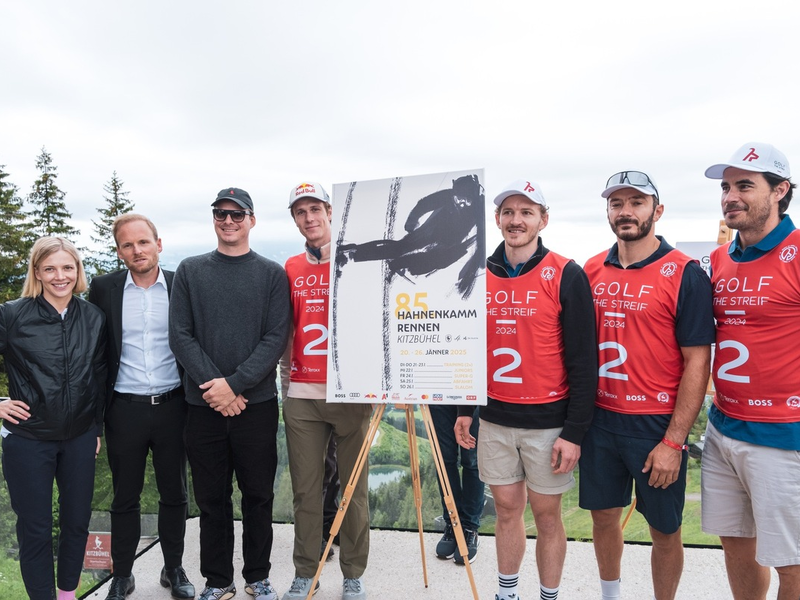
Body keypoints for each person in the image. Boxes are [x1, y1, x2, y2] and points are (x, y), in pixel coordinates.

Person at [456, 180, 597, 600]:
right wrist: (467, 408)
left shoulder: (566, 273)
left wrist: (574, 433)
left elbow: (584, 362)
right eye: (508, 212)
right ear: (497, 219)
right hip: (496, 419)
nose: (515, 220)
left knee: (548, 517)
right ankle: (507, 593)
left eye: (526, 212)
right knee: (505, 512)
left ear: (543, 219)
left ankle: (549, 595)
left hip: (548, 423)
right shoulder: (477, 272)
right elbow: (467, 348)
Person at [579, 171, 714, 600]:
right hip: (600, 421)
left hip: (654, 425)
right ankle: (610, 594)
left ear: (657, 211)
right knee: (603, 518)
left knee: (665, 530)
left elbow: (698, 361)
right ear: (607, 212)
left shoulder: (685, 273)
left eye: (636, 202)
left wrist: (675, 441)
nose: (626, 211)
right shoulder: (591, 268)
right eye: (616, 203)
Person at [169, 187, 291, 600]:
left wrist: (234, 385)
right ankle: (218, 581)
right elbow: (180, 336)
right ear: (214, 219)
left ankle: (257, 576)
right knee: (211, 500)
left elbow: (276, 337)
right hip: (201, 406)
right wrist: (216, 389)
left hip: (254, 406)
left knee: (258, 496)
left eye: (237, 215)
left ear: (251, 220)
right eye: (221, 214)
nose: (228, 221)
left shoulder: (272, 274)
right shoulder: (190, 270)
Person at [701, 142, 800, 600]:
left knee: (792, 564)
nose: (730, 196)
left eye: (745, 185)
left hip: (783, 437)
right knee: (738, 548)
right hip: (724, 431)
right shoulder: (719, 259)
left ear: (780, 191)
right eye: (725, 187)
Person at [88, 214, 195, 600]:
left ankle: (174, 568)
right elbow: (95, 355)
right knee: (124, 496)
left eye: (143, 242)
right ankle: (123, 574)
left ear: (158, 244)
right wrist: (95, 421)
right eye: (128, 245)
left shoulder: (181, 284)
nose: (137, 250)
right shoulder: (103, 289)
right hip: (123, 409)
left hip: (174, 405)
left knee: (175, 493)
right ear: (119, 251)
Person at [0, 237, 107, 600]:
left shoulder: (93, 317)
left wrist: (96, 428)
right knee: (36, 528)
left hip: (79, 436)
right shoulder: (12, 314)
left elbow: (98, 377)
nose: (59, 276)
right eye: (50, 268)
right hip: (28, 438)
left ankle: (66, 596)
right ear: (37, 272)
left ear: (77, 270)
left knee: (77, 524)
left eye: (67, 267)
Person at [280, 182, 371, 600]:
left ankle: (353, 573)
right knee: (306, 489)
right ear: (295, 219)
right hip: (302, 391)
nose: (309, 218)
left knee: (354, 491)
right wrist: (285, 384)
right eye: (301, 212)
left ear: (330, 212)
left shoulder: (357, 260)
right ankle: (306, 571)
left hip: (350, 393)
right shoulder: (290, 267)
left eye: (315, 209)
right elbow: (285, 331)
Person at [336, 174, 485, 299]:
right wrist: (411, 223)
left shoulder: (479, 208)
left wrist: (478, 258)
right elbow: (424, 204)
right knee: (398, 248)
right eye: (458, 198)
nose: (461, 203)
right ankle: (354, 253)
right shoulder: (448, 195)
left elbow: (481, 235)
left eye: (467, 200)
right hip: (431, 231)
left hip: (452, 240)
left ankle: (402, 265)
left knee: (439, 260)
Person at [429, 402, 484, 565]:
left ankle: (470, 528)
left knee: (472, 460)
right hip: (438, 391)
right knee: (444, 461)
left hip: (470, 390)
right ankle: (452, 524)